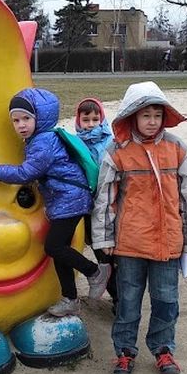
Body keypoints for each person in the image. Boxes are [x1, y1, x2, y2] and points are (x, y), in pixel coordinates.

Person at [92, 81, 187, 374]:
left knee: (166, 300)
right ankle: (124, 352)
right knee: (128, 302)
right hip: (130, 244)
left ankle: (163, 349)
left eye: (157, 115)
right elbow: (105, 198)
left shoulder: (177, 149)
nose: (152, 121)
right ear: (133, 117)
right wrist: (104, 237)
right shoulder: (118, 152)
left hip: (168, 244)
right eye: (146, 115)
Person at [0, 88, 111, 317]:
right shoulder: (39, 139)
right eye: (16, 120)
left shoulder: (43, 141)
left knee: (53, 247)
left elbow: (26, 173)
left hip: (71, 199)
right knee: (60, 251)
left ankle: (94, 272)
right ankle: (70, 299)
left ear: (40, 117)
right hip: (65, 199)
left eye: (26, 119)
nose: (21, 125)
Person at [74, 97, 119, 309]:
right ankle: (114, 295)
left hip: (108, 205)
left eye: (95, 119)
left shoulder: (111, 142)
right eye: (86, 120)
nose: (91, 124)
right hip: (86, 205)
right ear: (78, 121)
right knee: (99, 252)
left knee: (111, 256)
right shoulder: (75, 143)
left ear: (102, 119)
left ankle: (120, 300)